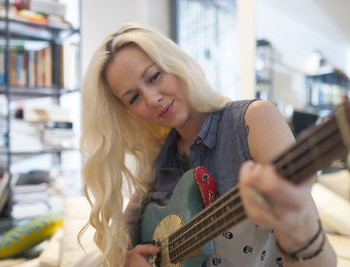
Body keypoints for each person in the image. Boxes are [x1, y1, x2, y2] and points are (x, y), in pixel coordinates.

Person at [79, 23, 337, 267]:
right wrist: (127, 258)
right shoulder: (157, 160)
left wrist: (297, 219)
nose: (152, 98)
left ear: (176, 63)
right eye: (134, 97)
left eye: (155, 76)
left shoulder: (254, 120)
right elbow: (122, 240)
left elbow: (321, 260)